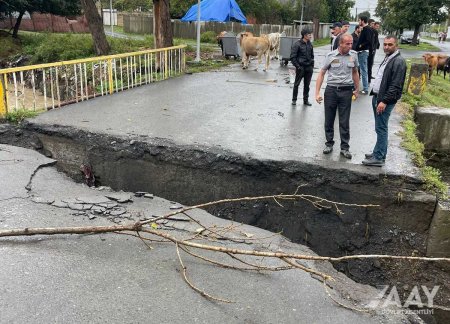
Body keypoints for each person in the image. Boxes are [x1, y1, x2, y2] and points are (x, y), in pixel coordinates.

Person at [362, 36, 406, 167]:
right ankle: (378, 152)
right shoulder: (389, 57)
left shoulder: (398, 62)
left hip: (384, 100)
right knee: (379, 127)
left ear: (396, 45)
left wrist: (384, 101)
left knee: (381, 128)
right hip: (378, 97)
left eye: (390, 45)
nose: (386, 47)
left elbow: (395, 85)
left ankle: (379, 157)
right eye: (385, 44)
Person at [315, 34, 360, 159]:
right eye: (347, 43)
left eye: (351, 43)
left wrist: (357, 89)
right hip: (331, 91)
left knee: (344, 121)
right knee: (329, 119)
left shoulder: (354, 55)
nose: (350, 46)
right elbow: (322, 73)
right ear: (340, 43)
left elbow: (355, 72)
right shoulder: (330, 56)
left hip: (346, 91)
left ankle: (345, 148)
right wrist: (317, 93)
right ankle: (329, 144)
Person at [290, 28, 314, 106]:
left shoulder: (310, 44)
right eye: (309, 35)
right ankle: (294, 100)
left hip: (308, 68)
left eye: (311, 34)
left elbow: (312, 56)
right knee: (296, 84)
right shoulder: (297, 44)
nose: (311, 36)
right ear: (305, 35)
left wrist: (311, 65)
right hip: (301, 68)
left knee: (307, 85)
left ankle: (305, 100)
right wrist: (298, 66)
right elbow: (292, 57)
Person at [355, 16, 373, 94]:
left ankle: (365, 89)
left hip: (363, 52)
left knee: (363, 70)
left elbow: (369, 41)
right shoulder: (364, 29)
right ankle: (357, 86)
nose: (358, 22)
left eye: (359, 20)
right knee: (358, 69)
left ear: (363, 21)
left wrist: (361, 45)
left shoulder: (367, 29)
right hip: (360, 52)